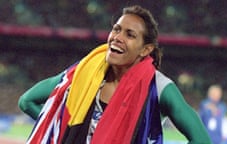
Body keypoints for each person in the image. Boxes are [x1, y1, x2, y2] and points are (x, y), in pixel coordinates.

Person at [18, 5, 211, 144]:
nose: (117, 38)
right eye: (116, 29)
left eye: (130, 34)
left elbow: (202, 140)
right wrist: (63, 134)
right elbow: (26, 101)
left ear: (146, 49)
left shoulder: (159, 88)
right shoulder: (85, 72)